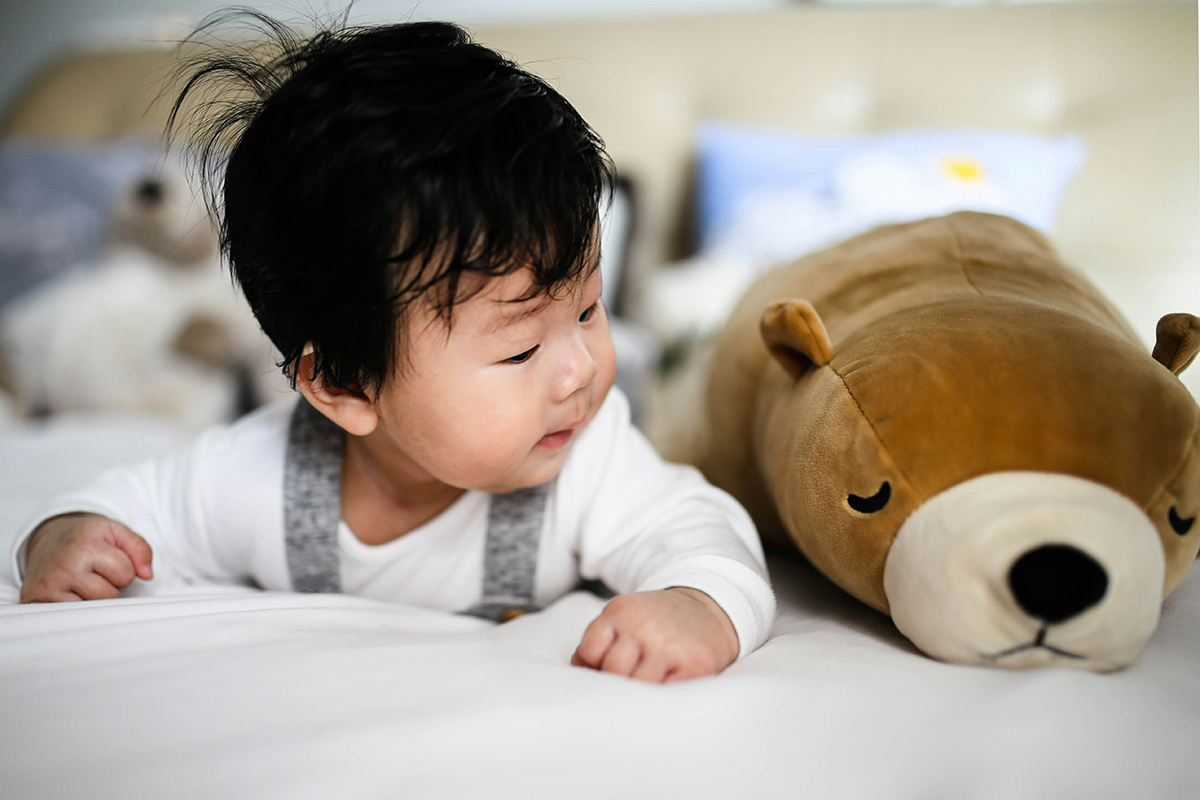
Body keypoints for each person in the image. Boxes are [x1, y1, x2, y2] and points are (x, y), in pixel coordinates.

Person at [10, 13, 775, 682]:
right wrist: (64, 537)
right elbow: (121, 510)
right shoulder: (260, 476)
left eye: (588, 309)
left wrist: (696, 605)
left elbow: (703, 536)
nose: (579, 370)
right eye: (519, 351)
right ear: (344, 384)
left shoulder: (588, 463)